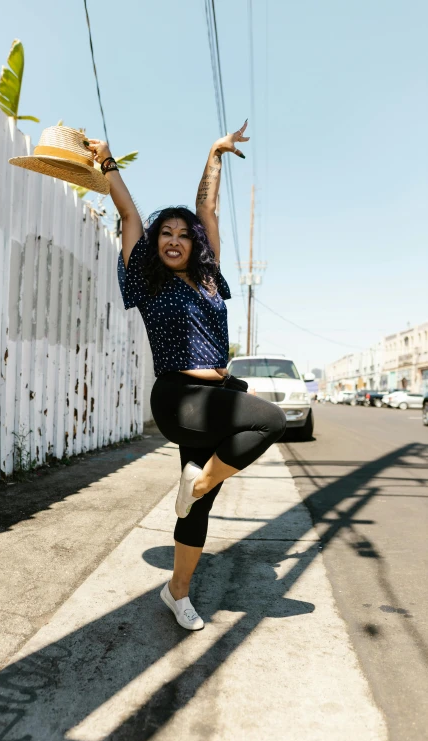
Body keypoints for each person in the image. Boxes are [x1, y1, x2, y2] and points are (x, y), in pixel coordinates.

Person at [85, 122, 286, 631]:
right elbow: (129, 212)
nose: (175, 240)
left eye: (183, 234)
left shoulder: (209, 274)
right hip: (180, 396)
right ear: (155, 245)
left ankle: (176, 591)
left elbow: (209, 211)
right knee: (271, 421)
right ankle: (196, 485)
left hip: (218, 394)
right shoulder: (145, 282)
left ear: (195, 245)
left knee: (196, 512)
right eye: (165, 235)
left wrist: (215, 153)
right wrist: (108, 162)